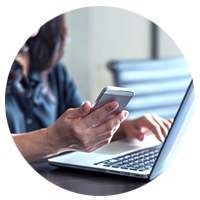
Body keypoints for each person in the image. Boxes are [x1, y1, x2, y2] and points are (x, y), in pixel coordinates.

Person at [5, 6, 172, 166]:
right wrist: (52, 140)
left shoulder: (52, 69)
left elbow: (79, 129)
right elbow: (60, 137)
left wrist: (124, 128)